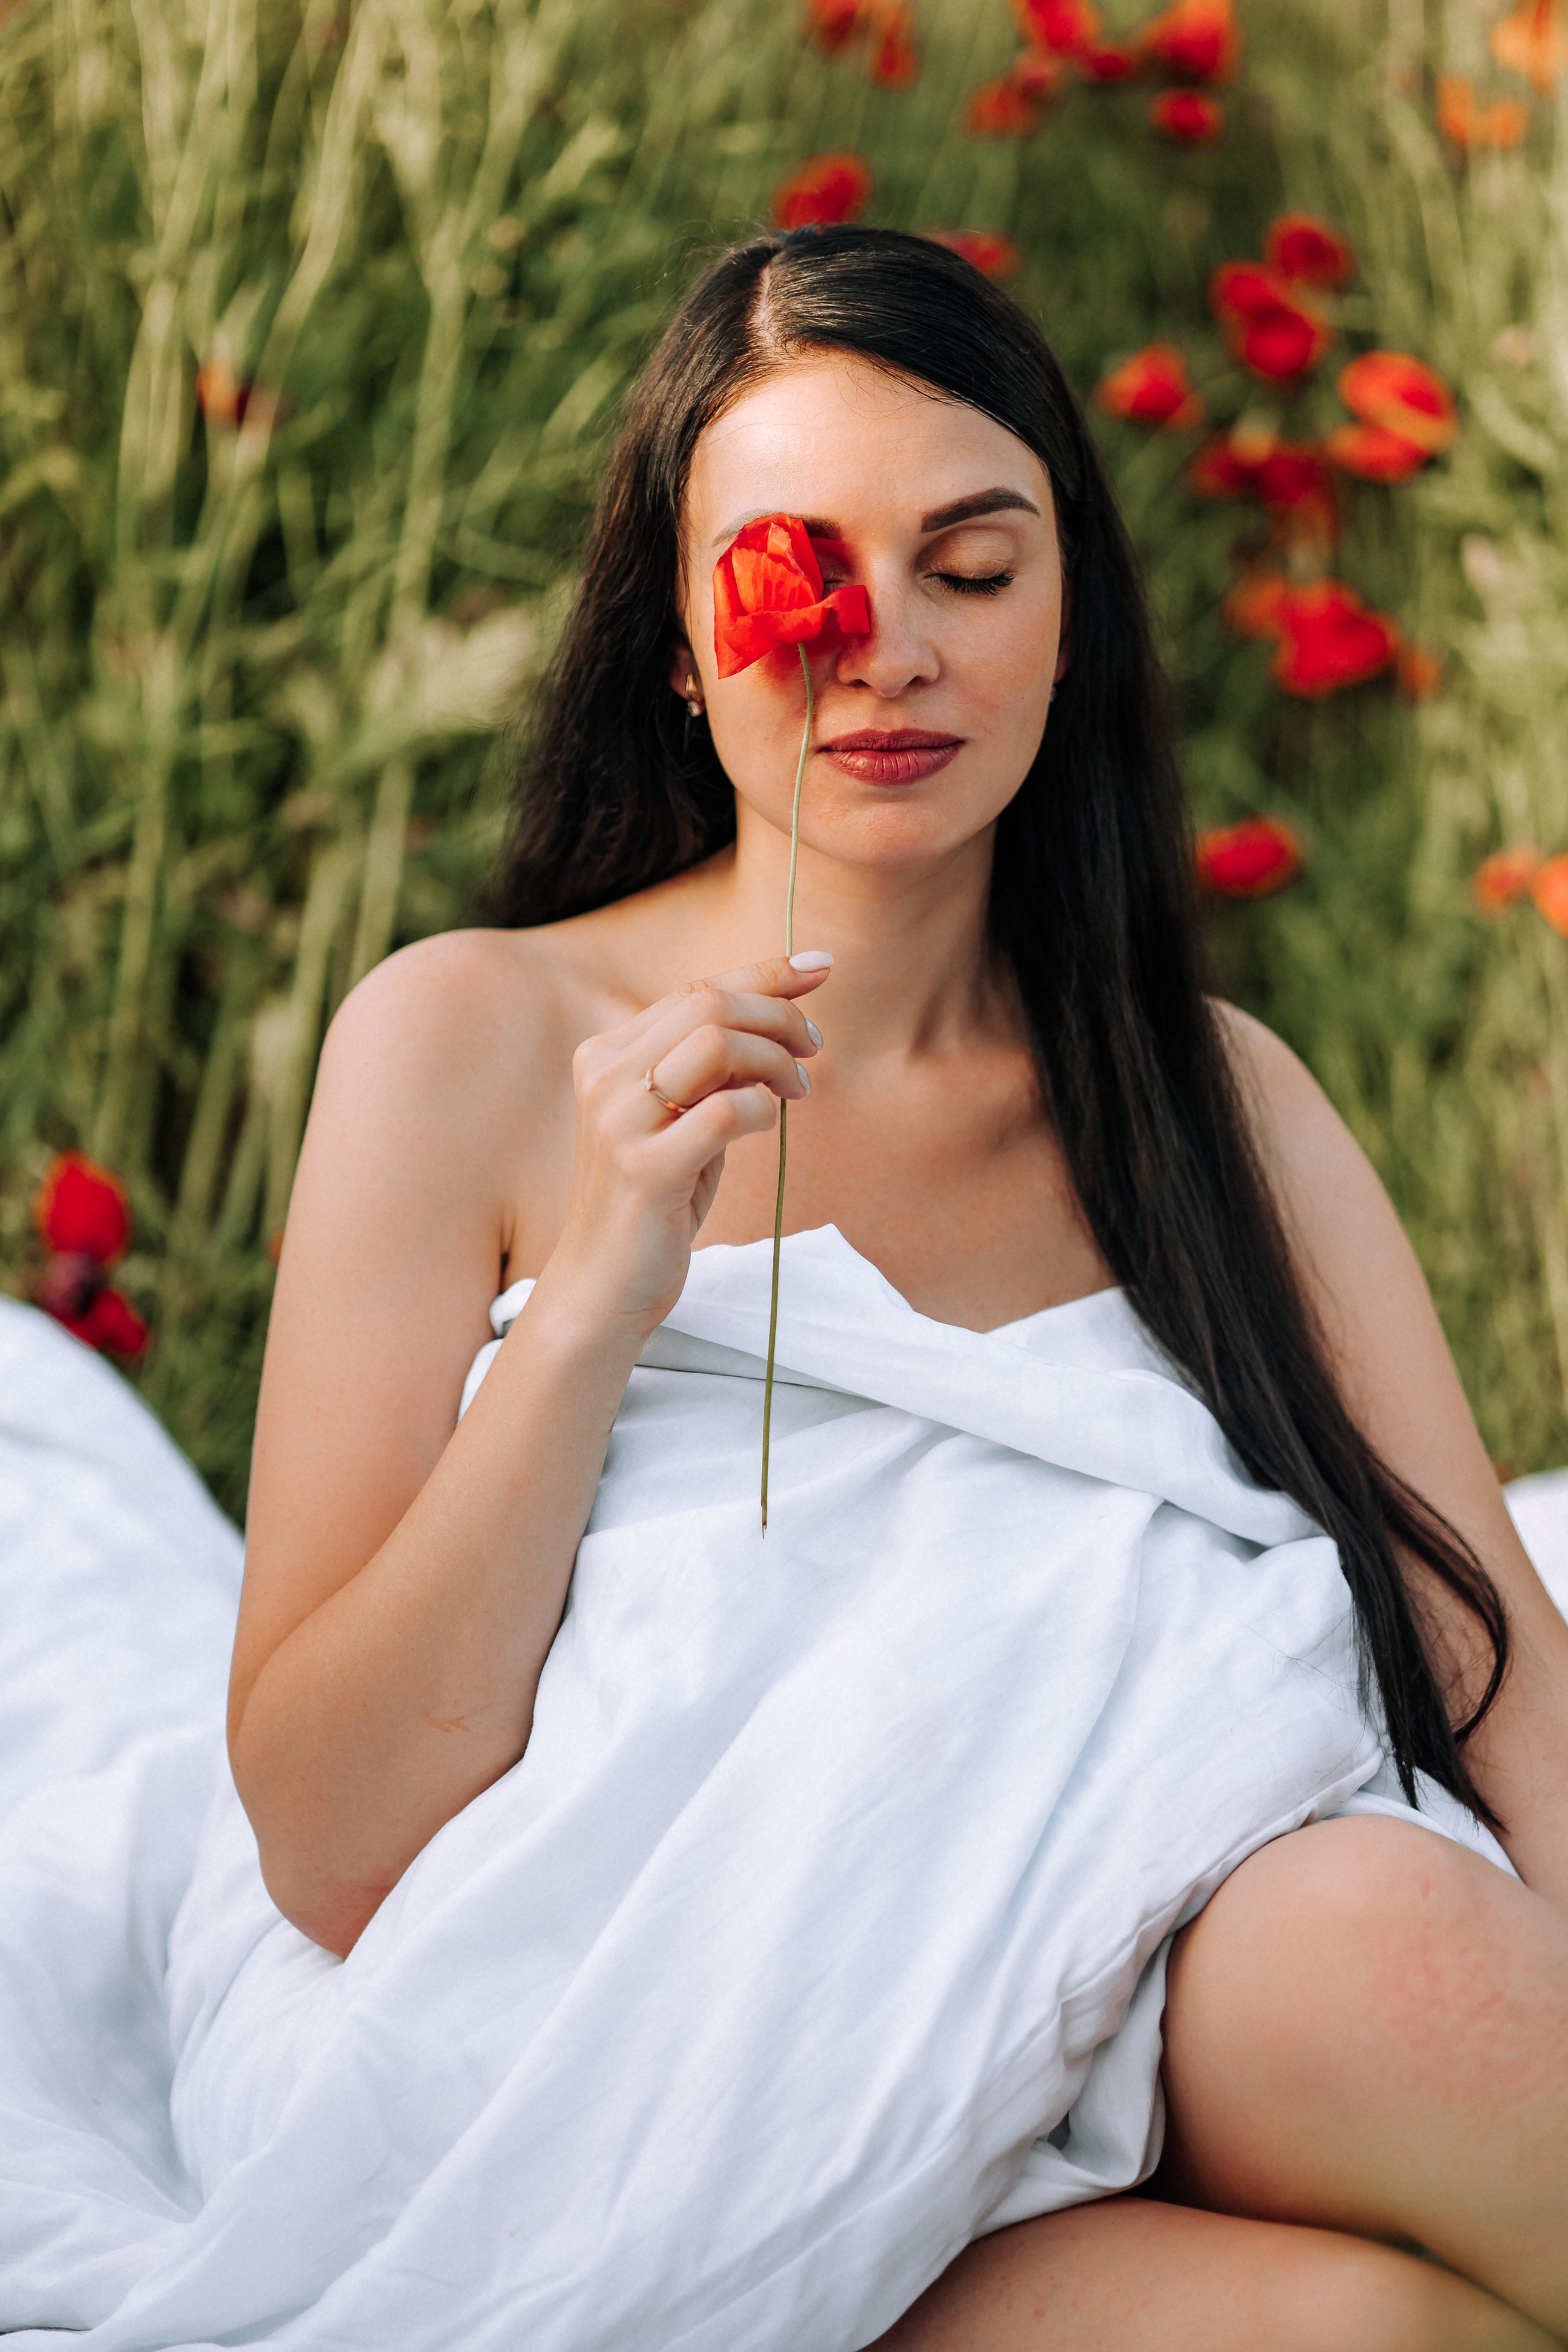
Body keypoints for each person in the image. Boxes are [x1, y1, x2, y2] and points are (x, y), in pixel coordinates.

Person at [3, 227, 1565, 2352]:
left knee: (1388, 1935)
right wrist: (597, 1303)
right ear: (674, 639)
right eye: (799, 575)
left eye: (974, 566)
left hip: (1148, 1949)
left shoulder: (1219, 1106)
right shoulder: (466, 1043)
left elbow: (1494, 1669)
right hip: (639, 2059)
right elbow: (333, 1842)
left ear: (1070, 612)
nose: (886, 646)